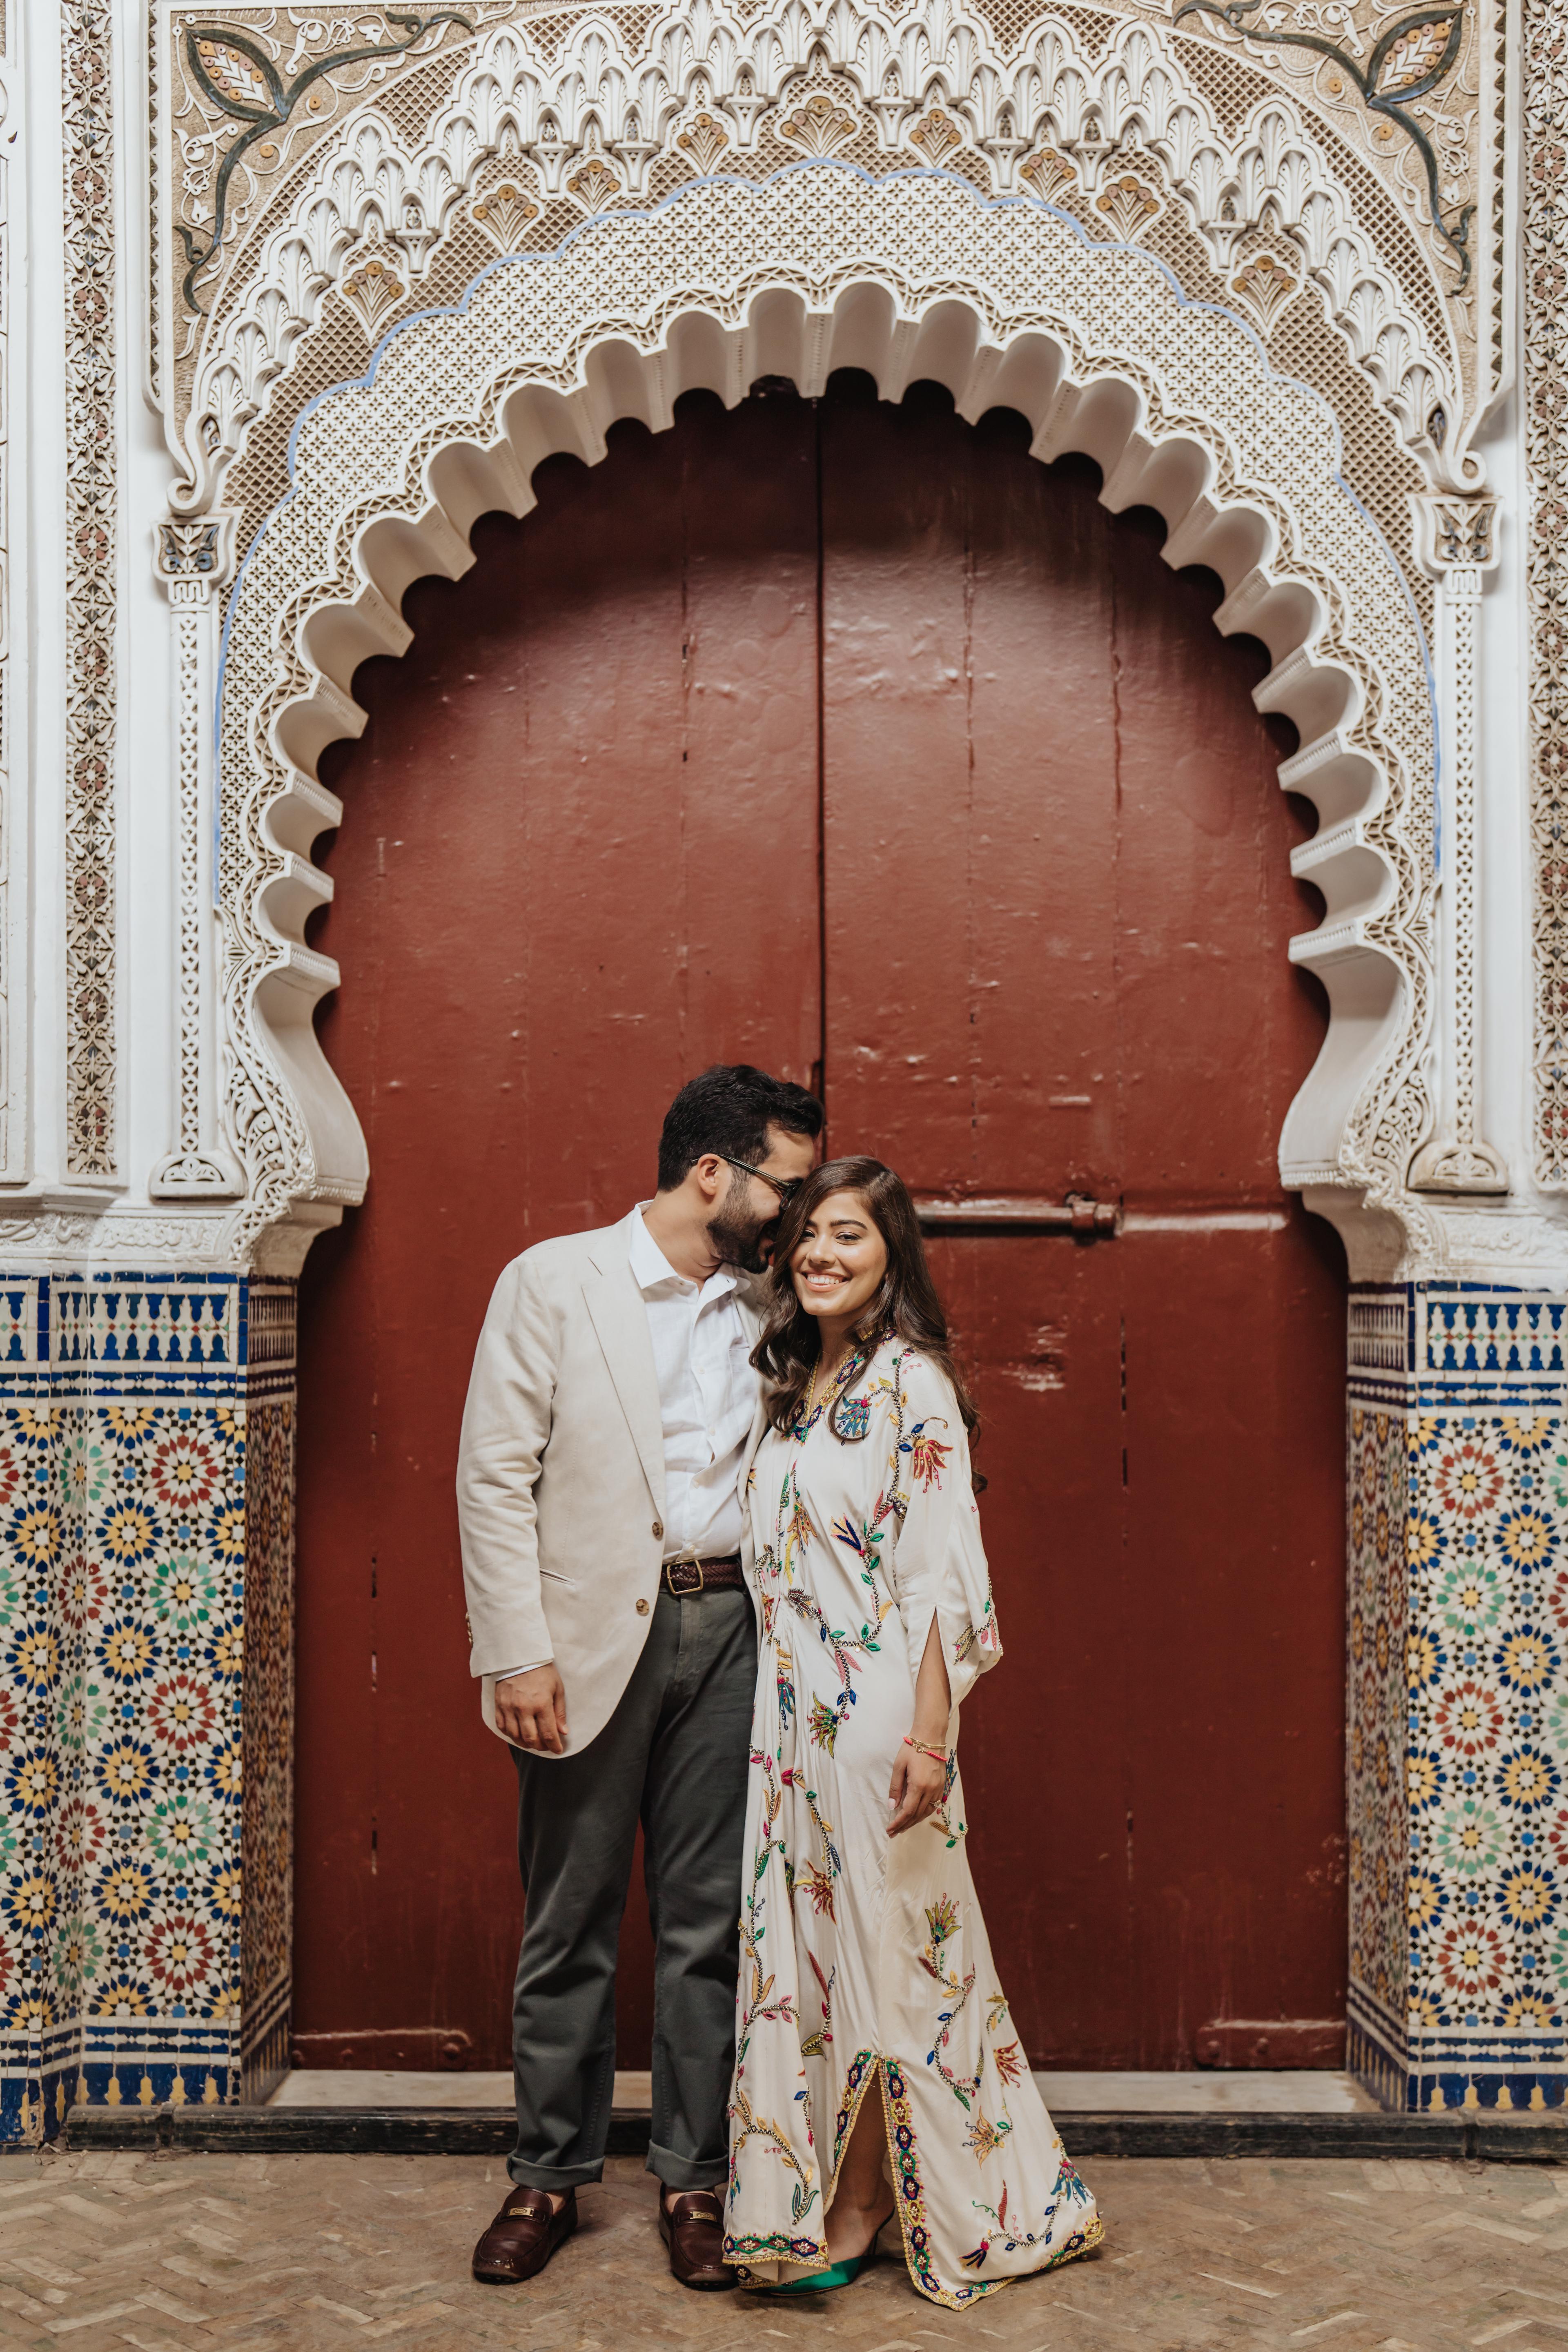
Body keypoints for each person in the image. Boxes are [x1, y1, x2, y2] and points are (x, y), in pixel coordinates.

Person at [456, 1065, 823, 2290]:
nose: (798, 1211)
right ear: (713, 1175)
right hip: (585, 1643)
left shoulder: (777, 1302)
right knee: (568, 1919)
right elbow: (493, 1476)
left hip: (735, 1635)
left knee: (708, 1925)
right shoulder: (554, 1282)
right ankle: (545, 2177)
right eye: (785, 1183)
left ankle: (696, 2181)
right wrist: (516, 1649)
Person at [724, 1158, 1102, 2306]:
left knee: (901, 1958)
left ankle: (871, 2201)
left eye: (849, 1236)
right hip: (788, 1722)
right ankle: (835, 2188)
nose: (823, 1255)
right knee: (821, 1962)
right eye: (808, 1237)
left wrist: (931, 1738)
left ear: (892, 1256)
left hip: (877, 1713)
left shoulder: (910, 1384)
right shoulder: (795, 1383)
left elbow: (943, 1576)